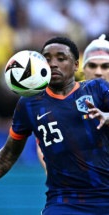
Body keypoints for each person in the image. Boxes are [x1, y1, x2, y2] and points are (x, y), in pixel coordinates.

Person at [0, 36, 109, 214]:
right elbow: (9, 152)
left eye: (61, 58)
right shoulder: (29, 104)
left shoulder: (97, 89)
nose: (53, 64)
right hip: (64, 201)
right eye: (47, 59)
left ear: (76, 65)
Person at [37, 33, 109, 173]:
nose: (98, 72)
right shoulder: (63, 100)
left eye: (105, 66)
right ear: (82, 69)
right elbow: (44, 142)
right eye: (92, 66)